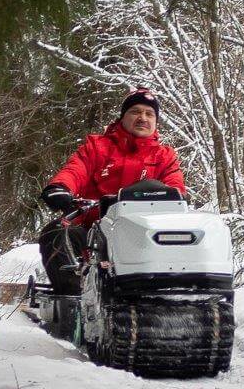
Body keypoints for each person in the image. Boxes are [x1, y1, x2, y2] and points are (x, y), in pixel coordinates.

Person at [37, 88, 186, 294]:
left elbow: (175, 187)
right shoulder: (97, 147)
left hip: (144, 235)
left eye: (149, 113)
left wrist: (173, 196)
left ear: (156, 121)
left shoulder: (165, 157)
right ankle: (74, 301)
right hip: (93, 231)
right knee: (57, 233)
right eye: (135, 111)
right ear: (123, 117)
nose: (142, 118)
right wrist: (60, 187)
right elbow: (75, 170)